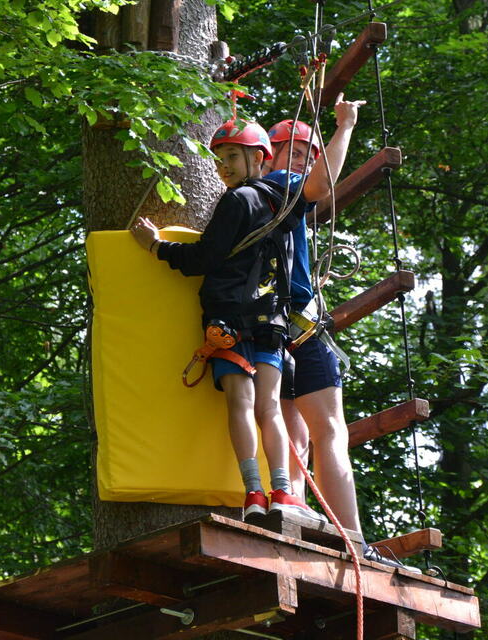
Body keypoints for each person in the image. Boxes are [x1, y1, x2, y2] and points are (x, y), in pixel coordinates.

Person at [130, 118, 321, 523]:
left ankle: (253, 493)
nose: (224, 167)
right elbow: (319, 186)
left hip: (228, 321)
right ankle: (282, 492)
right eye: (220, 160)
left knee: (242, 403)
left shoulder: (237, 200)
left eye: (232, 156)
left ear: (259, 158)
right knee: (269, 407)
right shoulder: (284, 205)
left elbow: (202, 258)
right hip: (270, 320)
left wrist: (156, 247)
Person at [265, 97, 422, 572]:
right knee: (328, 430)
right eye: (294, 153)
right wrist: (346, 126)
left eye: (307, 155)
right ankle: (354, 540)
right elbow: (322, 184)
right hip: (295, 324)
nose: (302, 162)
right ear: (269, 157)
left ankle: (294, 510)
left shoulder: (253, 200)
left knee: (294, 427)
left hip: (273, 327)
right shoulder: (280, 185)